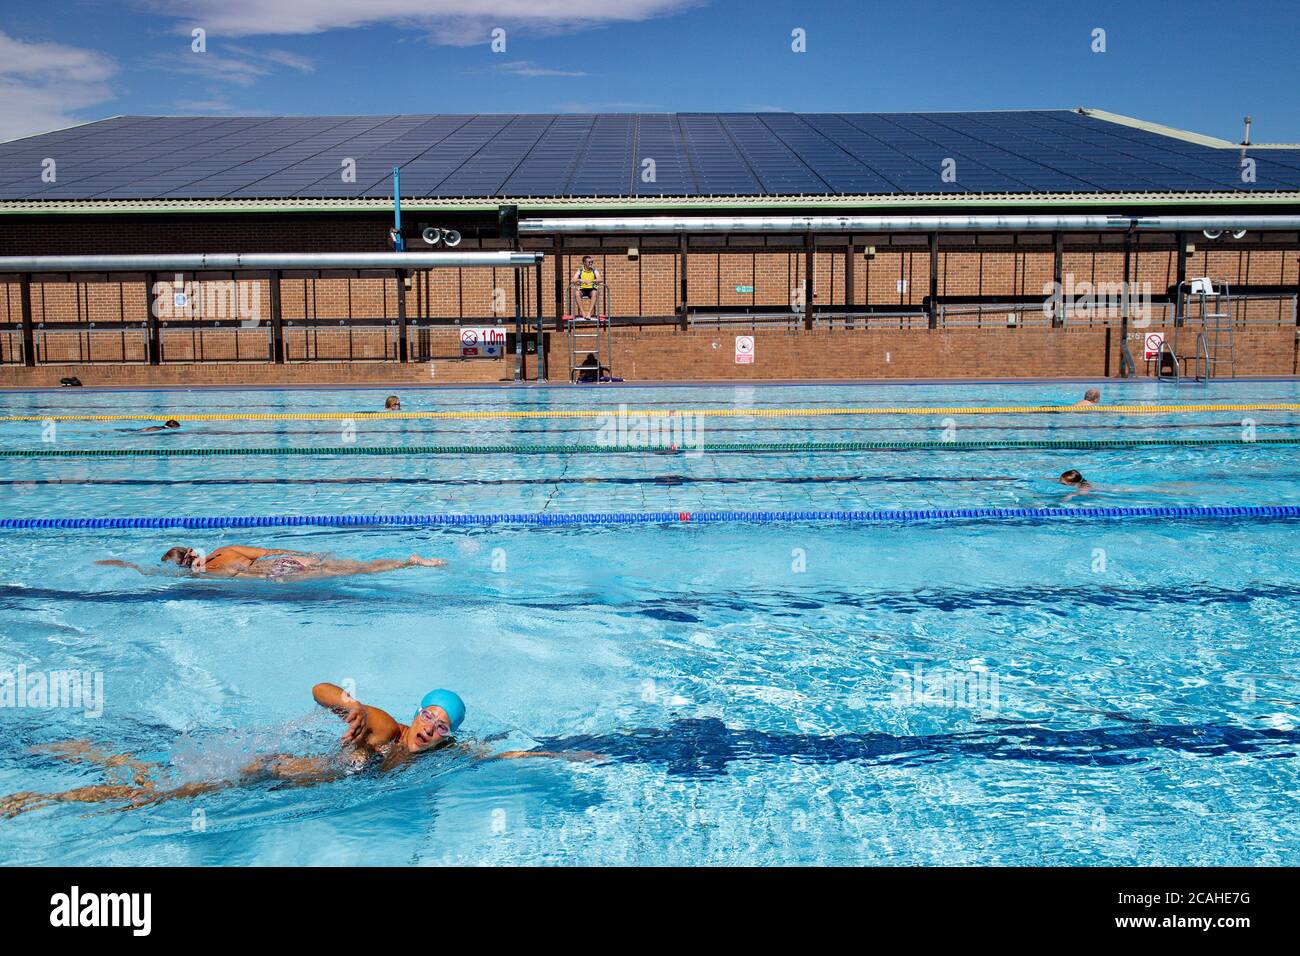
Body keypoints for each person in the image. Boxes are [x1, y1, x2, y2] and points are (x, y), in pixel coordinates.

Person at [1, 684, 580, 817]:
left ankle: (84, 754)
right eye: (429, 715)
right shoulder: (381, 727)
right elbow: (319, 690)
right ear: (415, 713)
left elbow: (495, 756)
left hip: (283, 783)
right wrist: (350, 705)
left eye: (441, 725)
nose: (431, 728)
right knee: (155, 797)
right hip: (271, 773)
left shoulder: (439, 754)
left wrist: (563, 759)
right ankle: (35, 798)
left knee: (154, 783)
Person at [95, 545, 445, 581]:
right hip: (285, 562)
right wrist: (306, 556)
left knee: (350, 573)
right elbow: (268, 550)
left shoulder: (206, 575)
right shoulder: (225, 549)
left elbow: (151, 572)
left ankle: (409, 564)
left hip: (279, 575)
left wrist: (123, 565)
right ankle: (408, 562)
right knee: (353, 567)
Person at [572, 255, 602, 319]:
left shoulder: (594, 270)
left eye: (592, 262)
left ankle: (589, 313)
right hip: (583, 289)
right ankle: (583, 312)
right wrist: (580, 280)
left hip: (591, 289)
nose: (591, 263)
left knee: (595, 292)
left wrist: (591, 281)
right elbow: (572, 280)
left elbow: (600, 279)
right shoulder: (580, 270)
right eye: (589, 262)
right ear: (584, 263)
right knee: (577, 293)